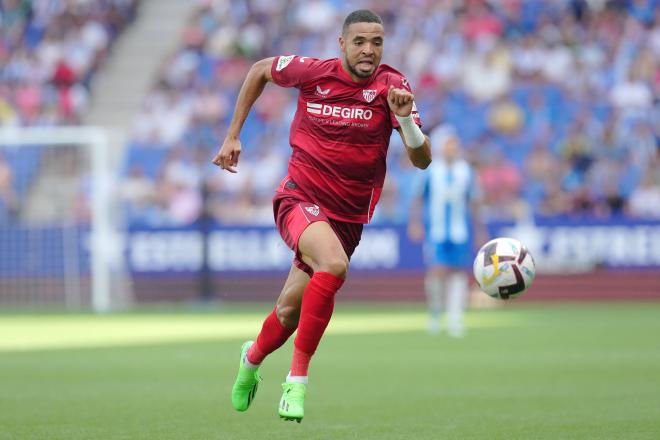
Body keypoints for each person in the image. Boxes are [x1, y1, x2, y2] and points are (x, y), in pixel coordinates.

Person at [212, 10, 432, 423]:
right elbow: (260, 69)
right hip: (299, 198)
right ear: (342, 44)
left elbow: (421, 160)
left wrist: (405, 120)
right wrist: (233, 134)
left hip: (346, 219)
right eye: (360, 41)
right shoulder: (313, 73)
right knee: (333, 264)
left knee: (287, 313)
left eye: (377, 42)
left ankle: (252, 357)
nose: (369, 50)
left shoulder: (394, 87)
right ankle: (296, 382)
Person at [408, 126, 482, 337]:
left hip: (459, 231)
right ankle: (434, 314)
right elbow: (417, 197)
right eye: (448, 144)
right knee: (437, 271)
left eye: (454, 144)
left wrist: (479, 229)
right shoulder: (430, 170)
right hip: (437, 231)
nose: (452, 148)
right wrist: (415, 222)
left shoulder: (466, 171)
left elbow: (474, 201)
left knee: (458, 272)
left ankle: (455, 317)